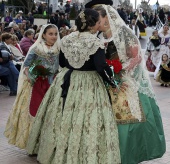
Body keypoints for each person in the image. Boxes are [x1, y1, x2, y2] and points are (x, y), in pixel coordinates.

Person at [26, 9, 121, 164]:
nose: (100, 25)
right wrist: (113, 82)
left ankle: (56, 151)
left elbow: (62, 63)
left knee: (62, 116)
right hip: (88, 83)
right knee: (86, 119)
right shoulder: (95, 42)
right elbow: (100, 67)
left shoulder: (67, 39)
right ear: (93, 25)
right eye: (98, 23)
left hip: (66, 80)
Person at [85, 0, 166, 164]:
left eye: (98, 19)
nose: (96, 23)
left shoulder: (123, 32)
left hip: (124, 78)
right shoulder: (98, 36)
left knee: (130, 118)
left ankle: (129, 154)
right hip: (106, 79)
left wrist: (120, 68)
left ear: (106, 16)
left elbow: (136, 57)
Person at [4, 24, 61, 149]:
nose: (54, 36)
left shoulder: (58, 49)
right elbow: (27, 65)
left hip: (53, 84)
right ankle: (33, 144)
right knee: (35, 112)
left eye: (56, 34)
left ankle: (47, 145)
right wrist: (31, 75)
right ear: (44, 35)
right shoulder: (36, 48)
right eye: (50, 34)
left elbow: (60, 66)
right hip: (36, 84)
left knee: (50, 114)